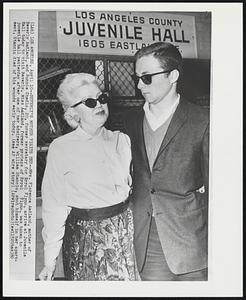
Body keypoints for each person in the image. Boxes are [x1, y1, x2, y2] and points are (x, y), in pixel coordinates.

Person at [39, 73, 140, 281]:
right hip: (87, 240)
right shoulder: (62, 148)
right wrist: (50, 260)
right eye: (89, 102)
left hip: (126, 233)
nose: (98, 105)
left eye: (101, 98)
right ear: (73, 112)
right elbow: (54, 205)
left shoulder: (122, 140)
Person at [123, 42, 209, 281]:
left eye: (147, 77)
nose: (140, 85)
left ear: (173, 75)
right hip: (148, 244)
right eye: (137, 78)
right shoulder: (130, 121)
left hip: (193, 243)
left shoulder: (203, 120)